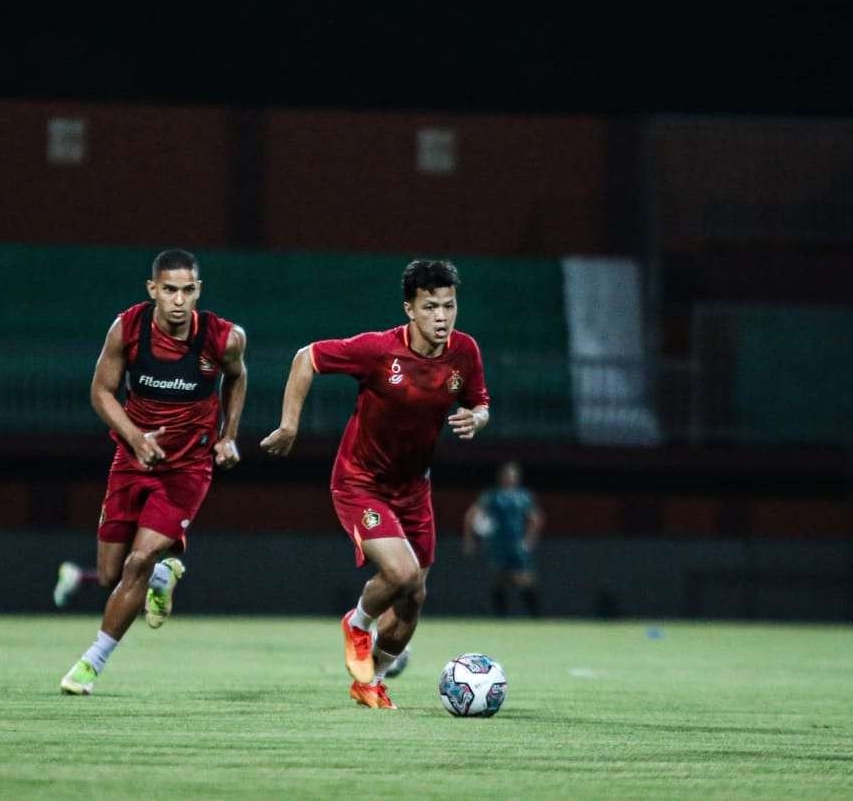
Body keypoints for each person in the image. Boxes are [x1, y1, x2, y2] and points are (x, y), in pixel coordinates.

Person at [260, 259, 489, 710]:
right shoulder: (378, 351)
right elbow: (306, 357)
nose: (442, 317)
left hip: (414, 490)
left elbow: (480, 401)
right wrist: (289, 425)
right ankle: (358, 622)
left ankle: (372, 680)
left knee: (414, 598)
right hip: (360, 483)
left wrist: (477, 418)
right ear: (409, 309)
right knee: (400, 573)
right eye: (430, 307)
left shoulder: (465, 352)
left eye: (449, 305)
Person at [60, 249, 247, 694]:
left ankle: (91, 664)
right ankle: (163, 576)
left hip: (188, 468)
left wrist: (228, 434)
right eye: (169, 290)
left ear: (198, 290)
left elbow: (237, 377)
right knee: (110, 573)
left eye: (187, 290)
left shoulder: (224, 339)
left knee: (139, 559)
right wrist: (135, 436)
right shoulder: (127, 329)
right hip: (132, 460)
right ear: (153, 290)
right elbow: (101, 393)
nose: (178, 300)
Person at [463, 461, 545, 617]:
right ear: (500, 477)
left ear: (517, 478)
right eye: (506, 475)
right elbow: (471, 515)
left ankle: (535, 615)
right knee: (499, 578)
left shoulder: (524, 496)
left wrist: (529, 540)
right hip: (498, 544)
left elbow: (536, 518)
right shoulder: (492, 495)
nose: (509, 478)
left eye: (512, 475)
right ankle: (501, 617)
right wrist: (470, 539)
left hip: (517, 544)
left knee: (525, 578)